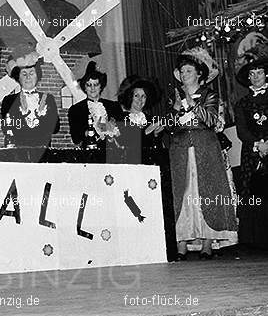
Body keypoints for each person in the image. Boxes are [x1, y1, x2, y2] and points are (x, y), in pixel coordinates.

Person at [168, 47, 237, 260]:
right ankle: (182, 244)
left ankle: (208, 243)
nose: (184, 74)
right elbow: (170, 125)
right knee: (183, 194)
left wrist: (191, 103)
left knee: (205, 192)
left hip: (205, 147)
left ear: (199, 74)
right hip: (180, 149)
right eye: (182, 71)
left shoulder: (210, 95)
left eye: (188, 71)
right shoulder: (175, 96)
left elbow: (210, 120)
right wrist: (176, 112)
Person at [233, 45, 268, 249]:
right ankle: (256, 240)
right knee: (254, 196)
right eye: (252, 74)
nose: (255, 77)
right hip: (251, 154)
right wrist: (258, 145)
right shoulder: (242, 103)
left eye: (259, 73)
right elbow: (242, 130)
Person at [0, 45, 60, 161]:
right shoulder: (9, 100)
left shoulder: (48, 99)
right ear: (18, 78)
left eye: (31, 73)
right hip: (17, 154)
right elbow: (6, 128)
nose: (28, 77)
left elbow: (55, 128)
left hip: (43, 154)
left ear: (37, 75)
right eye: (24, 74)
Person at [67, 61, 123, 150]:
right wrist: (92, 130)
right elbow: (76, 138)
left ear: (101, 86)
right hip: (89, 154)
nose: (92, 88)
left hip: (113, 153)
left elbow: (122, 132)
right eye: (89, 85)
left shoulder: (114, 106)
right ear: (84, 87)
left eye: (96, 84)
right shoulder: (76, 109)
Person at [113, 75, 163, 164]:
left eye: (143, 96)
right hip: (129, 165)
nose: (140, 100)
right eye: (136, 95)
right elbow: (128, 143)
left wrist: (155, 135)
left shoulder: (151, 119)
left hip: (149, 165)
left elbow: (157, 148)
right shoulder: (122, 118)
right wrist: (147, 131)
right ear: (130, 97)